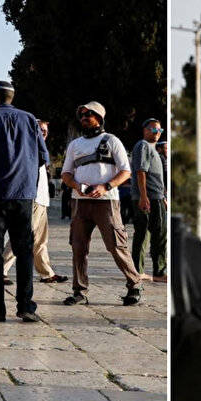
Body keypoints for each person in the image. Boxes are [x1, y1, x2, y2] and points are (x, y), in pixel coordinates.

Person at [0, 81, 48, 323]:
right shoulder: (30, 119)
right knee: (24, 250)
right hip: (24, 195)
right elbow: (43, 157)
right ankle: (26, 306)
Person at [61, 101, 142, 307]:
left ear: (99, 117)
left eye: (89, 114)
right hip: (80, 202)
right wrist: (77, 186)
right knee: (78, 247)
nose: (84, 118)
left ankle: (134, 285)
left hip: (106, 202)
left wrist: (106, 186)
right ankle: (79, 290)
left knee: (116, 245)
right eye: (82, 115)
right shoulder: (75, 145)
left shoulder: (112, 140)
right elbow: (66, 174)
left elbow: (126, 171)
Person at [2, 119, 68, 284]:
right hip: (31, 199)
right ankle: (0, 269)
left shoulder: (40, 148)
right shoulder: (28, 147)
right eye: (40, 129)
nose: (43, 132)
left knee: (40, 240)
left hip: (42, 200)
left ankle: (46, 273)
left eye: (45, 130)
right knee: (21, 235)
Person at [130, 118, 167, 282]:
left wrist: (163, 197)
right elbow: (141, 172)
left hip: (156, 197)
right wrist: (144, 196)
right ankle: (149, 271)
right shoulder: (142, 146)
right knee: (148, 234)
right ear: (145, 130)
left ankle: (154, 271)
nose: (157, 133)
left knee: (156, 233)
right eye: (153, 130)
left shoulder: (153, 149)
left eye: (159, 130)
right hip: (148, 198)